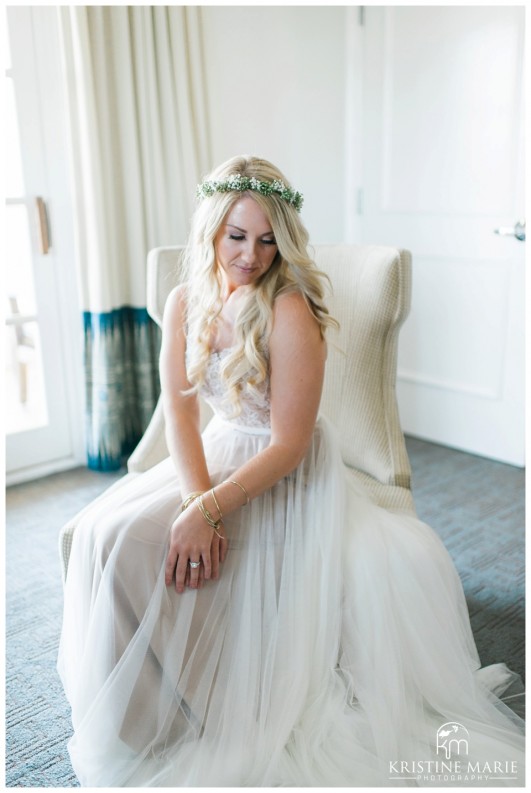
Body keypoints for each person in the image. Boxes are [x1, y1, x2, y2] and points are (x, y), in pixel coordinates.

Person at [58, 155, 525, 787]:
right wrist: (196, 503)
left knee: (193, 556)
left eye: (267, 240)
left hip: (284, 471)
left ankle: (221, 717)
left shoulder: (289, 309)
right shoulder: (183, 302)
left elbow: (290, 444)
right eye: (237, 236)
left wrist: (210, 510)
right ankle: (147, 724)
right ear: (211, 229)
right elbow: (181, 415)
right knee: (105, 534)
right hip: (215, 455)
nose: (251, 255)